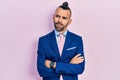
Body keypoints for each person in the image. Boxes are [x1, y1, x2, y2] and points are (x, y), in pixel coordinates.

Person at [37, 2, 85, 80]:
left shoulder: (77, 40)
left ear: (70, 21)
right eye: (57, 16)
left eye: (64, 18)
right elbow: (41, 71)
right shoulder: (43, 41)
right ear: (53, 17)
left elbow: (80, 68)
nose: (59, 20)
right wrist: (69, 64)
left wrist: (53, 64)